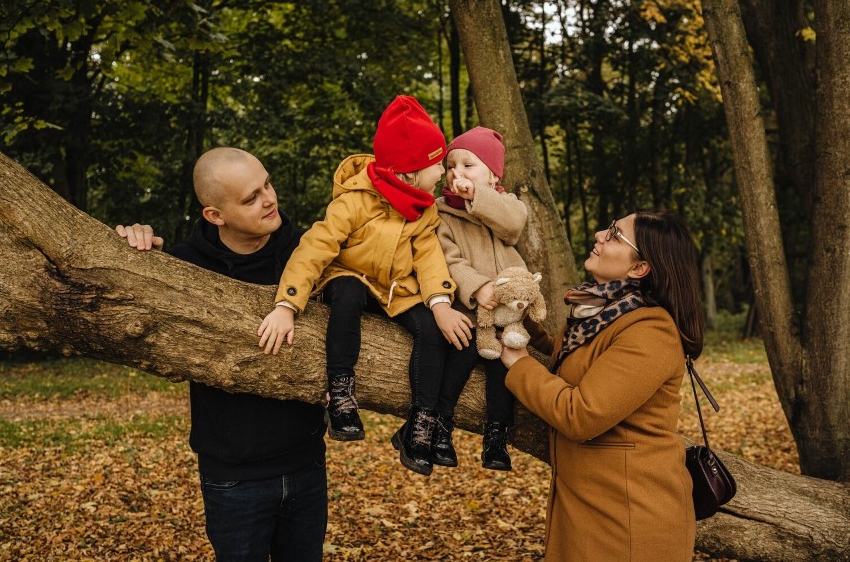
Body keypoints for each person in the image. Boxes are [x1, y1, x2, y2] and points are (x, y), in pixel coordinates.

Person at [116, 147, 328, 561]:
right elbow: (121, 297)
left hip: (306, 464)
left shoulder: (309, 252)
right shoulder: (183, 266)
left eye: (267, 183)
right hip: (233, 478)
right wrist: (128, 245)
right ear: (215, 215)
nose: (269, 198)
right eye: (251, 198)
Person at [257, 95, 474, 477]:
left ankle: (422, 421)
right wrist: (286, 305)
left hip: (396, 288)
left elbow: (427, 255)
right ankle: (340, 390)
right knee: (348, 296)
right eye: (435, 163)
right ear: (408, 172)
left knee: (431, 329)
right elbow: (315, 248)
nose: (442, 170)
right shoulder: (354, 202)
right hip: (351, 277)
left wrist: (440, 303)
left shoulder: (424, 208)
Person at [500, 210, 700, 561]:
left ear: (640, 268)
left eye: (613, 234)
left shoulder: (651, 331)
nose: (598, 234)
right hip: (591, 507)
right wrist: (523, 322)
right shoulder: (604, 316)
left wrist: (519, 364)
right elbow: (574, 361)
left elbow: (582, 415)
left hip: (629, 520)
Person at [431, 126, 531, 471]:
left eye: (468, 165)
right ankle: (439, 426)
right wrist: (476, 287)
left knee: (501, 368)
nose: (457, 173)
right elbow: (448, 259)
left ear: (492, 174)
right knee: (462, 353)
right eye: (451, 165)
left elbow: (514, 223)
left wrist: (477, 196)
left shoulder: (505, 207)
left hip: (506, 313)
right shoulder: (441, 212)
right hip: (470, 308)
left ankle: (497, 436)